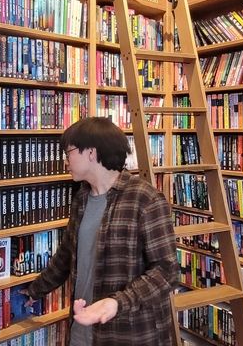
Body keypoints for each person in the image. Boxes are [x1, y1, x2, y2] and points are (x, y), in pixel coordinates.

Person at [23, 117, 178, 345]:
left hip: (130, 333)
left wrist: (117, 302)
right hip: (84, 326)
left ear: (92, 153)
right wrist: (35, 291)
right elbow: (67, 255)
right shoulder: (82, 198)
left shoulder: (145, 199)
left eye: (69, 152)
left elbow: (167, 272)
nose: (66, 160)